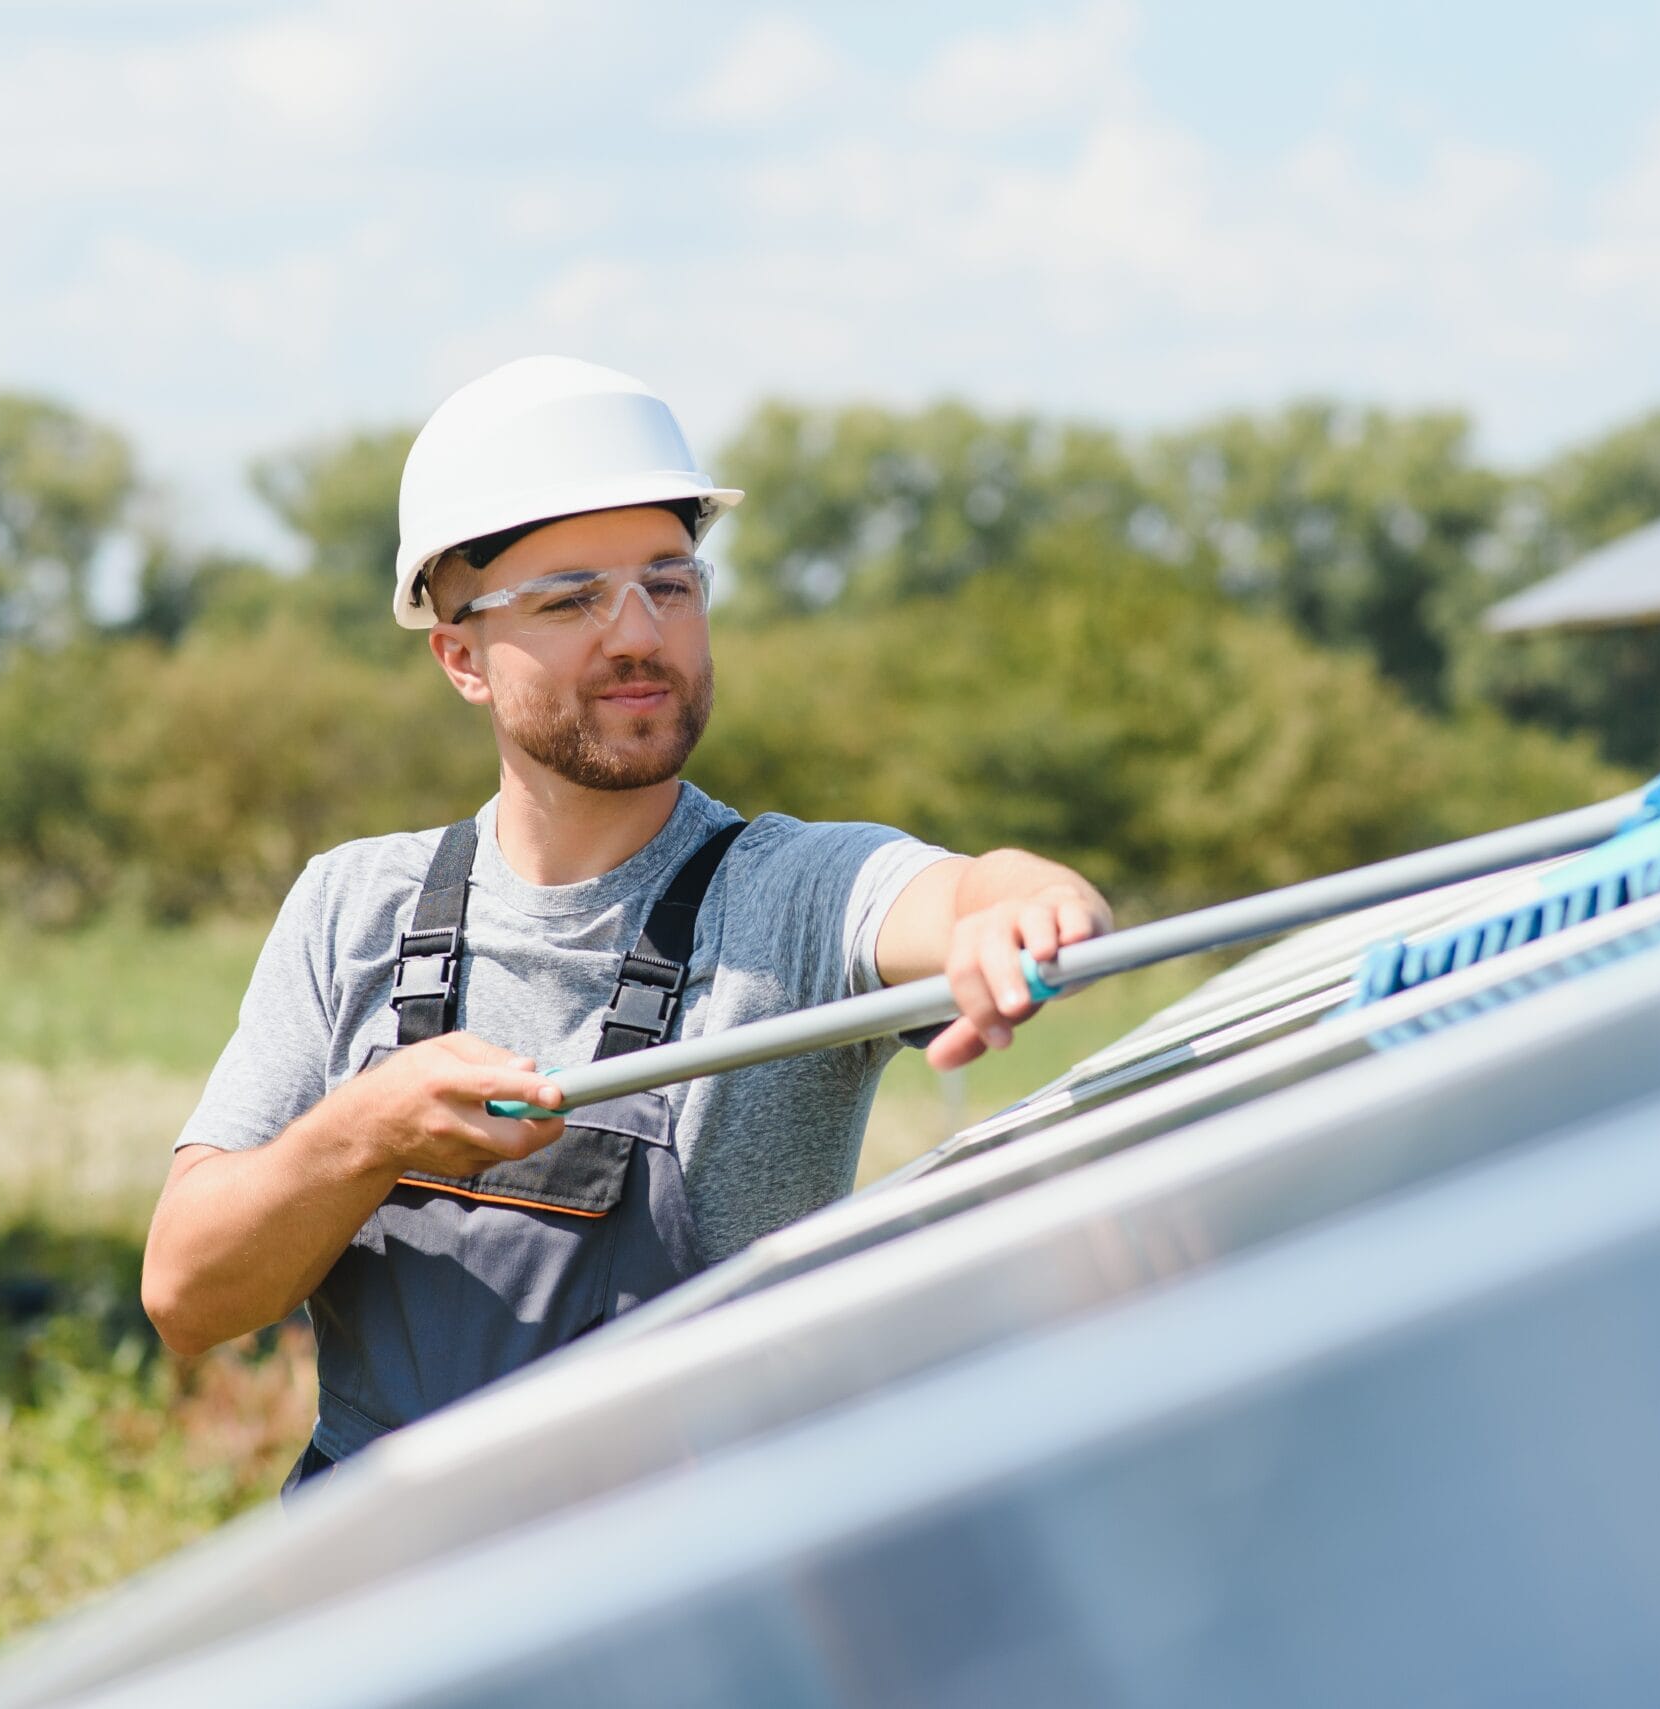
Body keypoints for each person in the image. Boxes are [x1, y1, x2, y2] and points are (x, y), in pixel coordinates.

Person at [140, 356, 1112, 1491]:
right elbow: (189, 1294)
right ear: (459, 656)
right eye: (569, 599)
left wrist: (1031, 906)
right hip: (386, 1592)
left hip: (681, 1589)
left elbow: (969, 893)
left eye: (670, 582)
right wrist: (366, 1131)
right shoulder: (354, 905)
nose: (638, 634)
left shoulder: (791, 892)